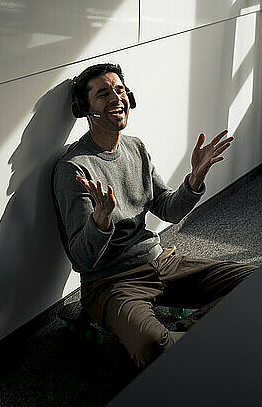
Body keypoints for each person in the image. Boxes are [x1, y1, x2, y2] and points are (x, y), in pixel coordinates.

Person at [53, 63, 257, 368]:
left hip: (160, 261)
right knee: (151, 346)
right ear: (85, 108)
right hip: (112, 282)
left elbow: (168, 210)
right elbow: (82, 260)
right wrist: (101, 220)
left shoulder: (137, 148)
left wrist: (194, 180)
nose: (116, 98)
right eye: (103, 94)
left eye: (120, 90)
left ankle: (186, 332)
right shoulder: (75, 168)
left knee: (254, 280)